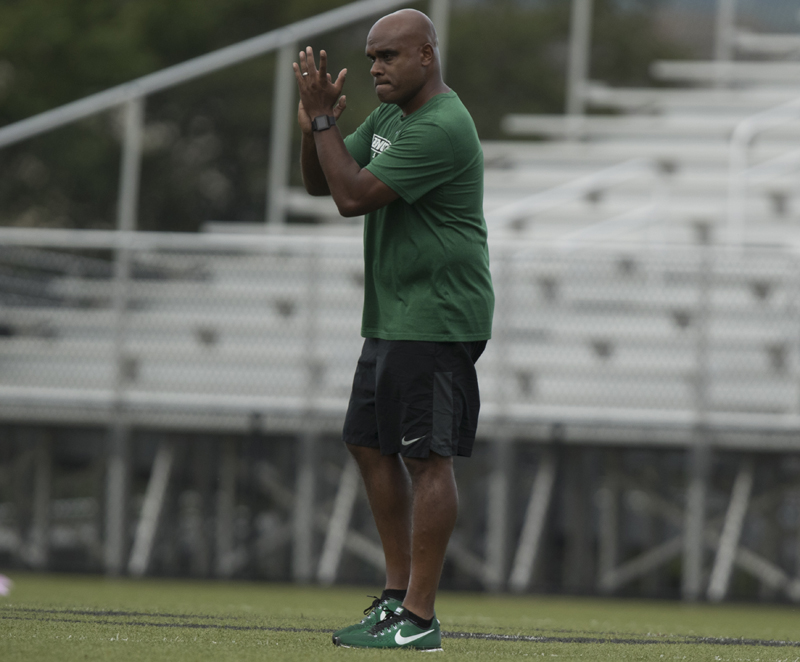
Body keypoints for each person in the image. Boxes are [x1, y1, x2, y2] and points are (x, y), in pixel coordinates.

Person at [294, 8, 494, 651]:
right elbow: (318, 182)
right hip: (394, 312)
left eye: (389, 56)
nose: (376, 68)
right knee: (367, 443)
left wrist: (324, 122)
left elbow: (352, 197)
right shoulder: (389, 118)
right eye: (371, 58)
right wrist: (313, 126)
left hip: (436, 314)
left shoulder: (441, 124)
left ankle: (419, 617)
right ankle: (394, 597)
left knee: (426, 458)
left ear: (426, 56)